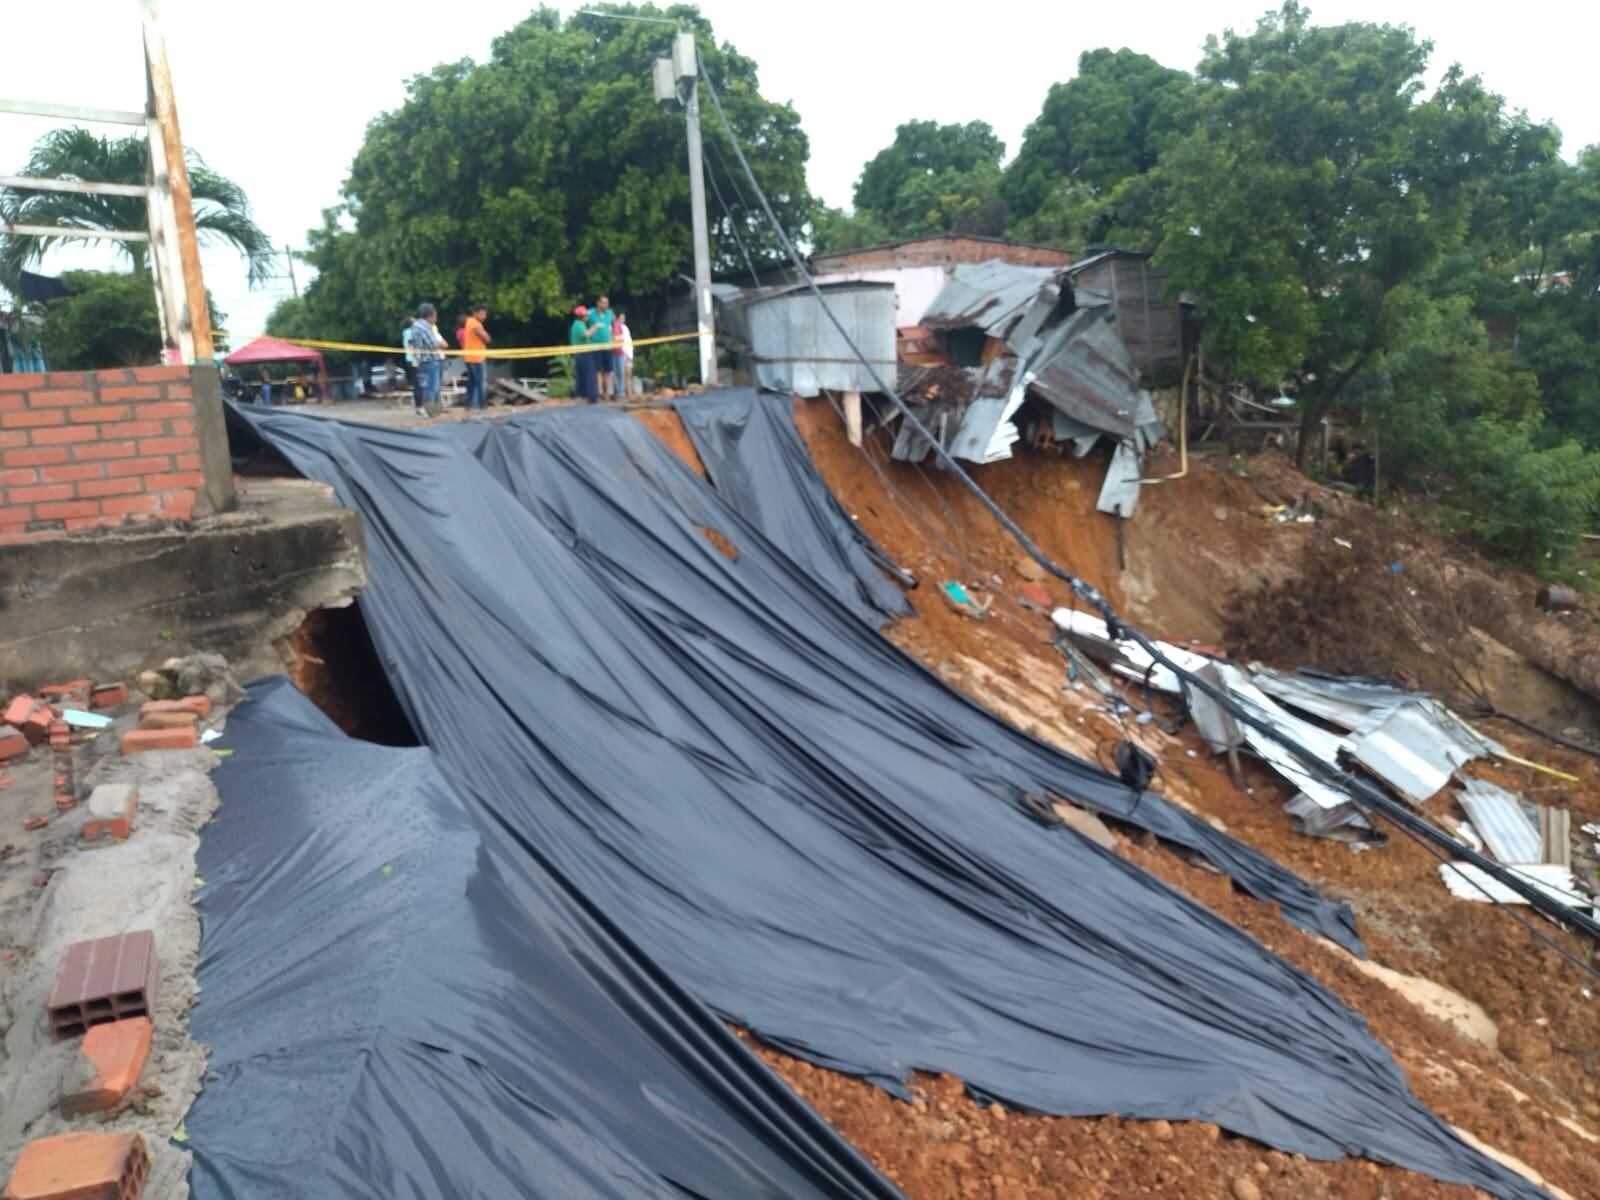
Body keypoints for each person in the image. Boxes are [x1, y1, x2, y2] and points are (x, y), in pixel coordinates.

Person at [411, 302, 447, 418]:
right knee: (433, 387)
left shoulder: (417, 326)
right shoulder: (424, 327)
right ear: (430, 315)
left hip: (427, 360)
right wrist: (441, 344)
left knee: (433, 386)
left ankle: (435, 411)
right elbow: (433, 344)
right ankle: (433, 413)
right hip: (430, 360)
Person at [461, 303, 491, 411]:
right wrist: (487, 337)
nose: (484, 317)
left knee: (472, 382)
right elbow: (486, 338)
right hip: (477, 358)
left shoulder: (469, 322)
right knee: (481, 382)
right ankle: (482, 405)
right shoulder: (475, 324)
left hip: (469, 357)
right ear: (475, 313)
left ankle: (469, 405)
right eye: (482, 314)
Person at [588, 294, 614, 400]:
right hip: (596, 345)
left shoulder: (609, 314)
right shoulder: (591, 313)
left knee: (608, 370)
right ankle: (599, 391)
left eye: (607, 303)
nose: (606, 305)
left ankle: (607, 392)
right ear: (598, 303)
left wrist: (612, 339)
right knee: (598, 370)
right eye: (603, 303)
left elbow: (612, 326)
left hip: (607, 345)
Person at [569, 304, 594, 402]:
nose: (587, 317)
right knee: (588, 374)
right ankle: (589, 396)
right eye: (586, 315)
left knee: (581, 375)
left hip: (580, 353)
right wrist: (594, 327)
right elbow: (586, 334)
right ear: (582, 316)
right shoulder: (579, 325)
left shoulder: (577, 324)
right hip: (583, 353)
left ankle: (580, 394)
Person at [401, 316, 423, 416]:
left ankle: (419, 406)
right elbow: (412, 346)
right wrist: (417, 360)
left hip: (409, 359)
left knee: (416, 384)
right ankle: (420, 406)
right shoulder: (411, 332)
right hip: (414, 360)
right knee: (419, 384)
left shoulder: (406, 332)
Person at [612, 310, 633, 401]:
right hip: (621, 353)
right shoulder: (615, 326)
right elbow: (618, 340)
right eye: (622, 317)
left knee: (626, 374)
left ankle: (628, 393)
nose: (623, 319)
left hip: (626, 353)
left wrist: (630, 354)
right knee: (619, 374)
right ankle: (619, 393)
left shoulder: (625, 327)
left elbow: (628, 341)